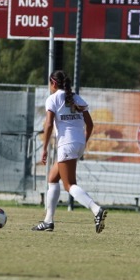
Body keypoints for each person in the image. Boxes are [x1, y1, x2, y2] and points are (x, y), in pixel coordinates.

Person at [32, 70, 107, 233]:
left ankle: (96, 210)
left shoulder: (52, 99)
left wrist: (44, 149)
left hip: (66, 144)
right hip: (78, 143)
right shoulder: (76, 98)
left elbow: (49, 124)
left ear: (52, 83)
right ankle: (48, 221)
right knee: (52, 178)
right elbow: (90, 124)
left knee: (69, 185)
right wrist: (82, 143)